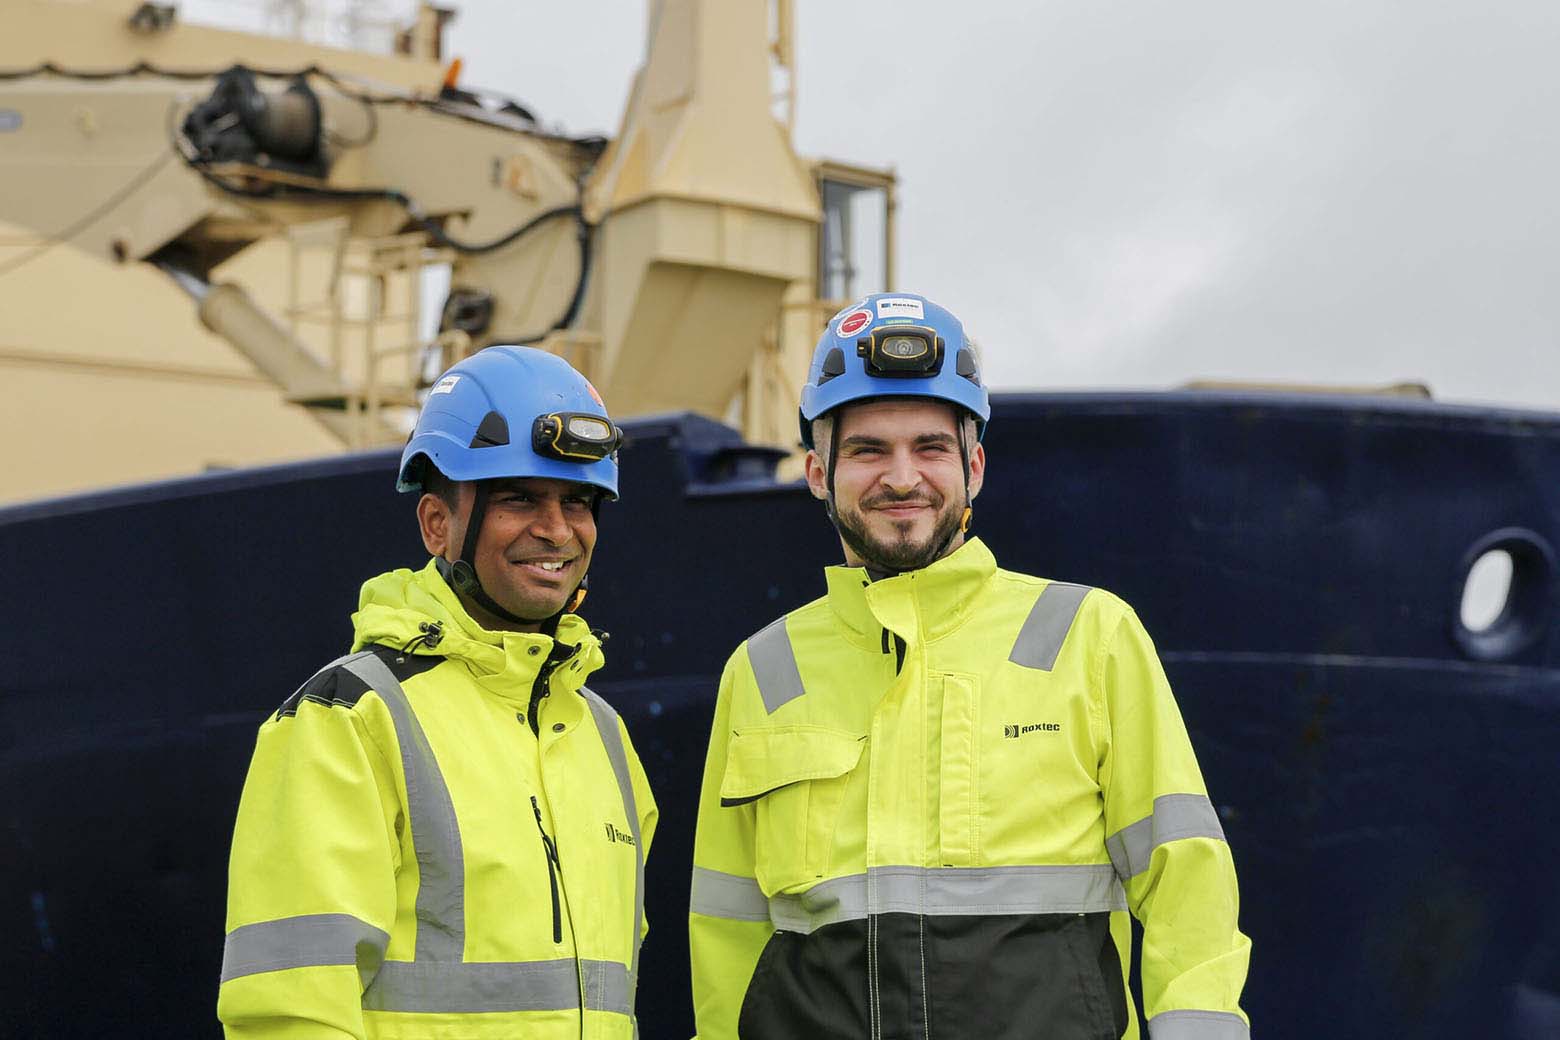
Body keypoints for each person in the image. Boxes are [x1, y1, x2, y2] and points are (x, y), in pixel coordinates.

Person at [688, 293, 1250, 1039]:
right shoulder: (760, 671)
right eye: (866, 450)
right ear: (818, 473)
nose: (901, 477)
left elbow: (1187, 879)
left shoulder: (1091, 635)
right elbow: (727, 932)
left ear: (973, 466)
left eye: (929, 447)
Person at [218, 346, 657, 1039]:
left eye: (577, 501)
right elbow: (291, 1010)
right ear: (437, 524)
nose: (557, 529)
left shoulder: (602, 732)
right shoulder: (348, 718)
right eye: (519, 498)